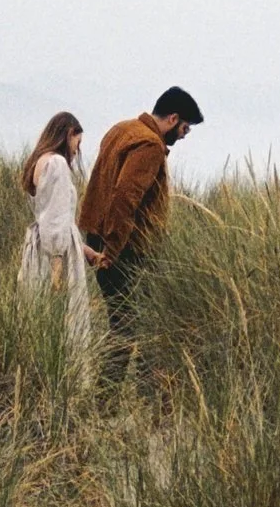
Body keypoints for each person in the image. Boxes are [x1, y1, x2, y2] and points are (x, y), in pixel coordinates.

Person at [78, 86, 203, 309]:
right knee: (129, 321)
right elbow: (125, 196)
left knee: (117, 314)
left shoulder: (121, 129)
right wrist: (113, 250)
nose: (185, 135)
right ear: (173, 119)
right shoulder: (150, 145)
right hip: (123, 244)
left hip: (98, 234)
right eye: (186, 128)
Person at [16, 111, 93, 346]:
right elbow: (56, 221)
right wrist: (58, 268)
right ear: (69, 134)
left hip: (39, 248)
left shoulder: (40, 161)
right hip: (55, 254)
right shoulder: (57, 164)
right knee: (65, 322)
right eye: (77, 142)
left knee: (37, 320)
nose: (77, 150)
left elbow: (51, 217)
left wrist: (87, 252)